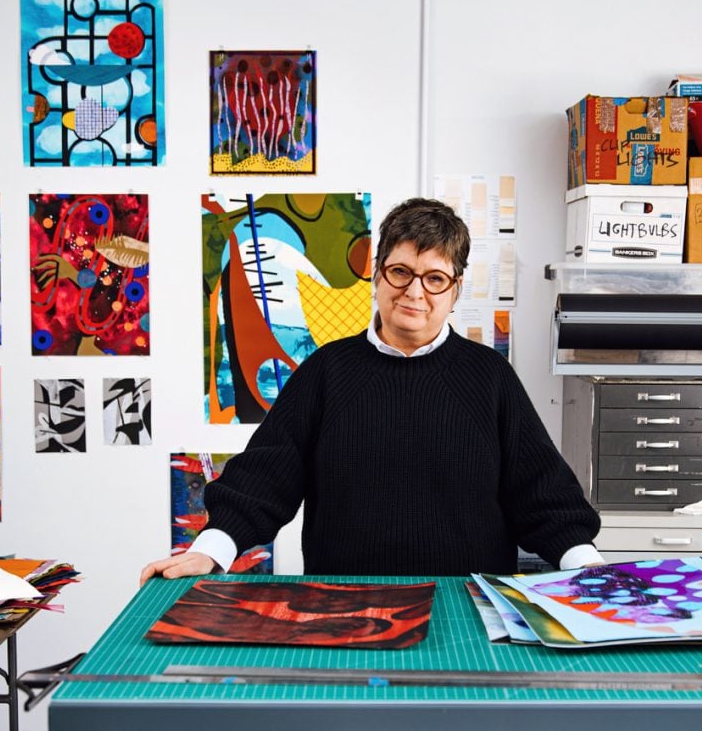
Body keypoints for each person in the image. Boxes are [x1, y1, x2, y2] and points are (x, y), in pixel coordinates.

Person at [140, 198, 602, 583]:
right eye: (400, 271)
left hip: (470, 608)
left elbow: (542, 492)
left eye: (434, 278)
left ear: (455, 289)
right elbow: (265, 479)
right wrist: (211, 550)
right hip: (340, 606)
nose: (414, 292)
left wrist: (589, 567)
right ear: (378, 275)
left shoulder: (489, 376)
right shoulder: (327, 371)